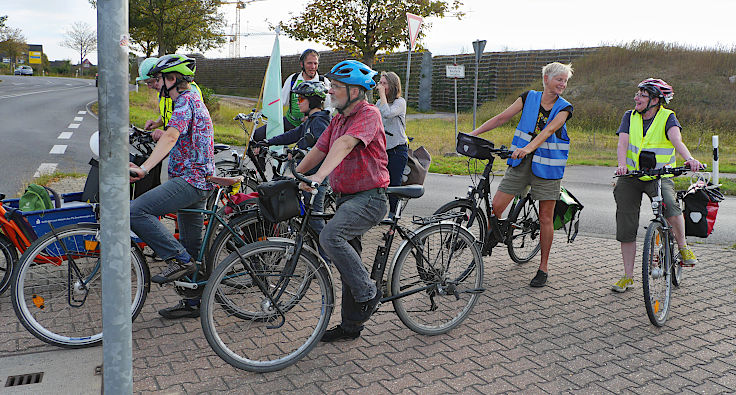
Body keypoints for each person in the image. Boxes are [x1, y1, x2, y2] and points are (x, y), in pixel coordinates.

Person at [294, 60, 389, 342]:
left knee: (331, 238)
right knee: (350, 261)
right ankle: (351, 326)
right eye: (332, 86)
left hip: (370, 198)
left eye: (336, 87)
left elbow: (345, 144)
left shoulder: (369, 114)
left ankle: (369, 293)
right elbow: (321, 148)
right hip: (346, 198)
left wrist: (319, 177)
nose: (331, 91)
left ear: (356, 91)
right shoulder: (337, 117)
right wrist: (296, 174)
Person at [470, 62, 574, 288]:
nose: (563, 84)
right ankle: (492, 237)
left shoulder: (565, 107)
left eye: (565, 81)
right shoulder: (529, 97)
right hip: (520, 163)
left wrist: (528, 148)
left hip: (548, 167)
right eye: (559, 79)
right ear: (546, 78)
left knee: (546, 217)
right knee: (495, 208)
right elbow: (501, 118)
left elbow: (548, 131)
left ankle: (543, 267)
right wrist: (474, 133)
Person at [129, 54, 215, 319]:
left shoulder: (185, 102)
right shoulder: (188, 100)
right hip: (197, 180)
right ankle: (194, 303)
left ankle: (177, 260)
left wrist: (145, 168)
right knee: (193, 249)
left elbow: (171, 135)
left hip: (190, 181)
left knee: (135, 212)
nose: (157, 83)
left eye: (161, 78)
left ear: (172, 79)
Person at [611, 78, 703, 293]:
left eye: (643, 95)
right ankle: (628, 276)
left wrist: (689, 159)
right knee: (625, 224)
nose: (637, 98)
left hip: (660, 175)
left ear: (656, 100)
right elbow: (622, 143)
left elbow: (676, 140)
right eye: (637, 94)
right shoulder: (629, 116)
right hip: (631, 175)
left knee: (671, 205)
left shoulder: (667, 117)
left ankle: (683, 248)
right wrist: (622, 165)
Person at [256, 80, 331, 235]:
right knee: (304, 215)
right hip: (305, 176)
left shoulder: (320, 121)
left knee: (315, 221)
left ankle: (326, 257)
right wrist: (269, 142)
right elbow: (294, 134)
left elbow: (318, 146)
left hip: (314, 178)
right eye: (297, 99)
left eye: (301, 99)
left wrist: (298, 150)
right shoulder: (311, 120)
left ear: (314, 100)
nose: (298, 102)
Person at [253, 49, 331, 142]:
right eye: (309, 63)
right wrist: (263, 111)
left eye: (315, 63)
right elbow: (281, 101)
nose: (313, 67)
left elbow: (329, 107)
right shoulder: (293, 79)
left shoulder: (323, 81)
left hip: (312, 125)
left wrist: (313, 118)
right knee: (257, 136)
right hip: (291, 122)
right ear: (302, 64)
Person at [138, 55, 203, 141]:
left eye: (151, 82)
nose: (150, 87)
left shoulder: (188, 93)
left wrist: (168, 135)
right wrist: (157, 123)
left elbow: (190, 124)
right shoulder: (165, 92)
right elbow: (172, 114)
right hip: (173, 139)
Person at [376, 71, 408, 216]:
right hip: (382, 150)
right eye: (380, 83)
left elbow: (388, 113)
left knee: (394, 185)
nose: (381, 86)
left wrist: (382, 96)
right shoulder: (379, 103)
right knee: (379, 183)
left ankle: (393, 217)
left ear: (393, 85)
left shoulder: (400, 102)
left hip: (397, 150)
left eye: (384, 83)